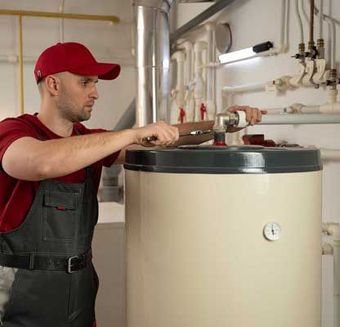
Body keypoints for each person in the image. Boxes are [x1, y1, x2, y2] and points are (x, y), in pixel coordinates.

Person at [0, 42, 264, 327]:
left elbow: (168, 139)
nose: (95, 93)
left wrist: (220, 124)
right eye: (85, 82)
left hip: (78, 288)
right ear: (53, 84)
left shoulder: (92, 143)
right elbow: (39, 163)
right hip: (19, 291)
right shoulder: (15, 131)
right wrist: (130, 133)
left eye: (96, 83)